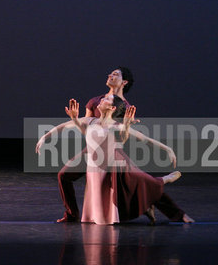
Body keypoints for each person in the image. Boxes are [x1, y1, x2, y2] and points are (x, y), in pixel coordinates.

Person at [37, 97, 194, 224]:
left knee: (139, 181)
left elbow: (143, 139)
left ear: (112, 108)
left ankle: (164, 180)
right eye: (103, 98)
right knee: (110, 201)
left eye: (106, 100)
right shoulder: (90, 121)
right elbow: (65, 126)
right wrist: (45, 136)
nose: (101, 100)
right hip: (93, 168)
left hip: (108, 167)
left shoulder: (116, 126)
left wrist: (168, 149)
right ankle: (147, 206)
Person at [52, 67, 134, 222]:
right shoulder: (95, 101)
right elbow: (86, 131)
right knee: (64, 175)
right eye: (110, 73)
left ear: (124, 82)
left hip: (112, 154)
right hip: (92, 151)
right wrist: (76, 120)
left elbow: (123, 138)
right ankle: (72, 214)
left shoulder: (126, 107)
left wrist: (127, 126)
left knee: (141, 183)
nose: (110, 75)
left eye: (115, 74)